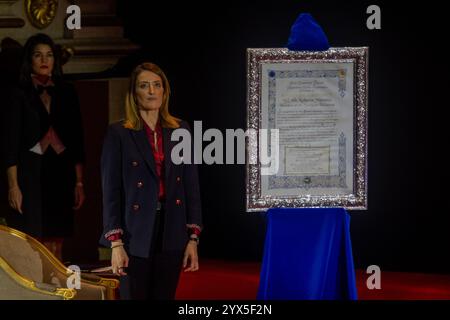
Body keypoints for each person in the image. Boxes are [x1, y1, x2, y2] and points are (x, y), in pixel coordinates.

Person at [99, 62, 202, 300]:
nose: (152, 91)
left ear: (165, 92)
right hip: (134, 233)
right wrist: (116, 243)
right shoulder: (119, 133)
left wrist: (193, 238)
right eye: (144, 86)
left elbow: (191, 186)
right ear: (134, 93)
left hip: (172, 229)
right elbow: (111, 191)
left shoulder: (181, 129)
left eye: (157, 85)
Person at [3, 33, 86, 260]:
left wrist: (79, 182)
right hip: (30, 176)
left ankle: (56, 293)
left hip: (60, 173)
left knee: (56, 242)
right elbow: (10, 144)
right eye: (38, 55)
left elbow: (77, 141)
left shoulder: (68, 92)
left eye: (49, 55)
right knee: (32, 245)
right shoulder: (17, 93)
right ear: (29, 59)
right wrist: (13, 185)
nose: (44, 60)